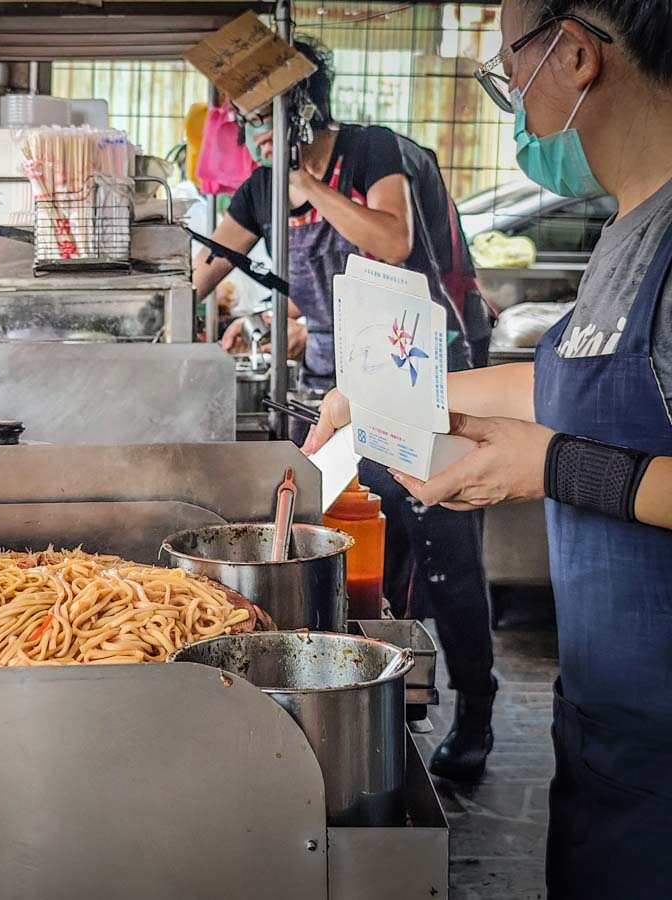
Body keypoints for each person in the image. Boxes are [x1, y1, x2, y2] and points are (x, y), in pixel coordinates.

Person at [305, 1, 672, 894]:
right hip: (611, 725)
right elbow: (560, 385)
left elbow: (561, 433)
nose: (511, 97)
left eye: (508, 67)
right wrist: (373, 398)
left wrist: (549, 465)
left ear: (576, 55)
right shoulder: (632, 226)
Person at [193, 38, 498, 783]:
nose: (256, 135)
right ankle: (370, 711)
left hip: (423, 377)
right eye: (246, 122)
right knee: (340, 555)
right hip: (337, 391)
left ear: (304, 108)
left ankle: (478, 715)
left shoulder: (370, 153)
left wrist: (307, 187)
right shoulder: (260, 186)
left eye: (266, 119)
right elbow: (208, 271)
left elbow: (391, 241)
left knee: (445, 553)